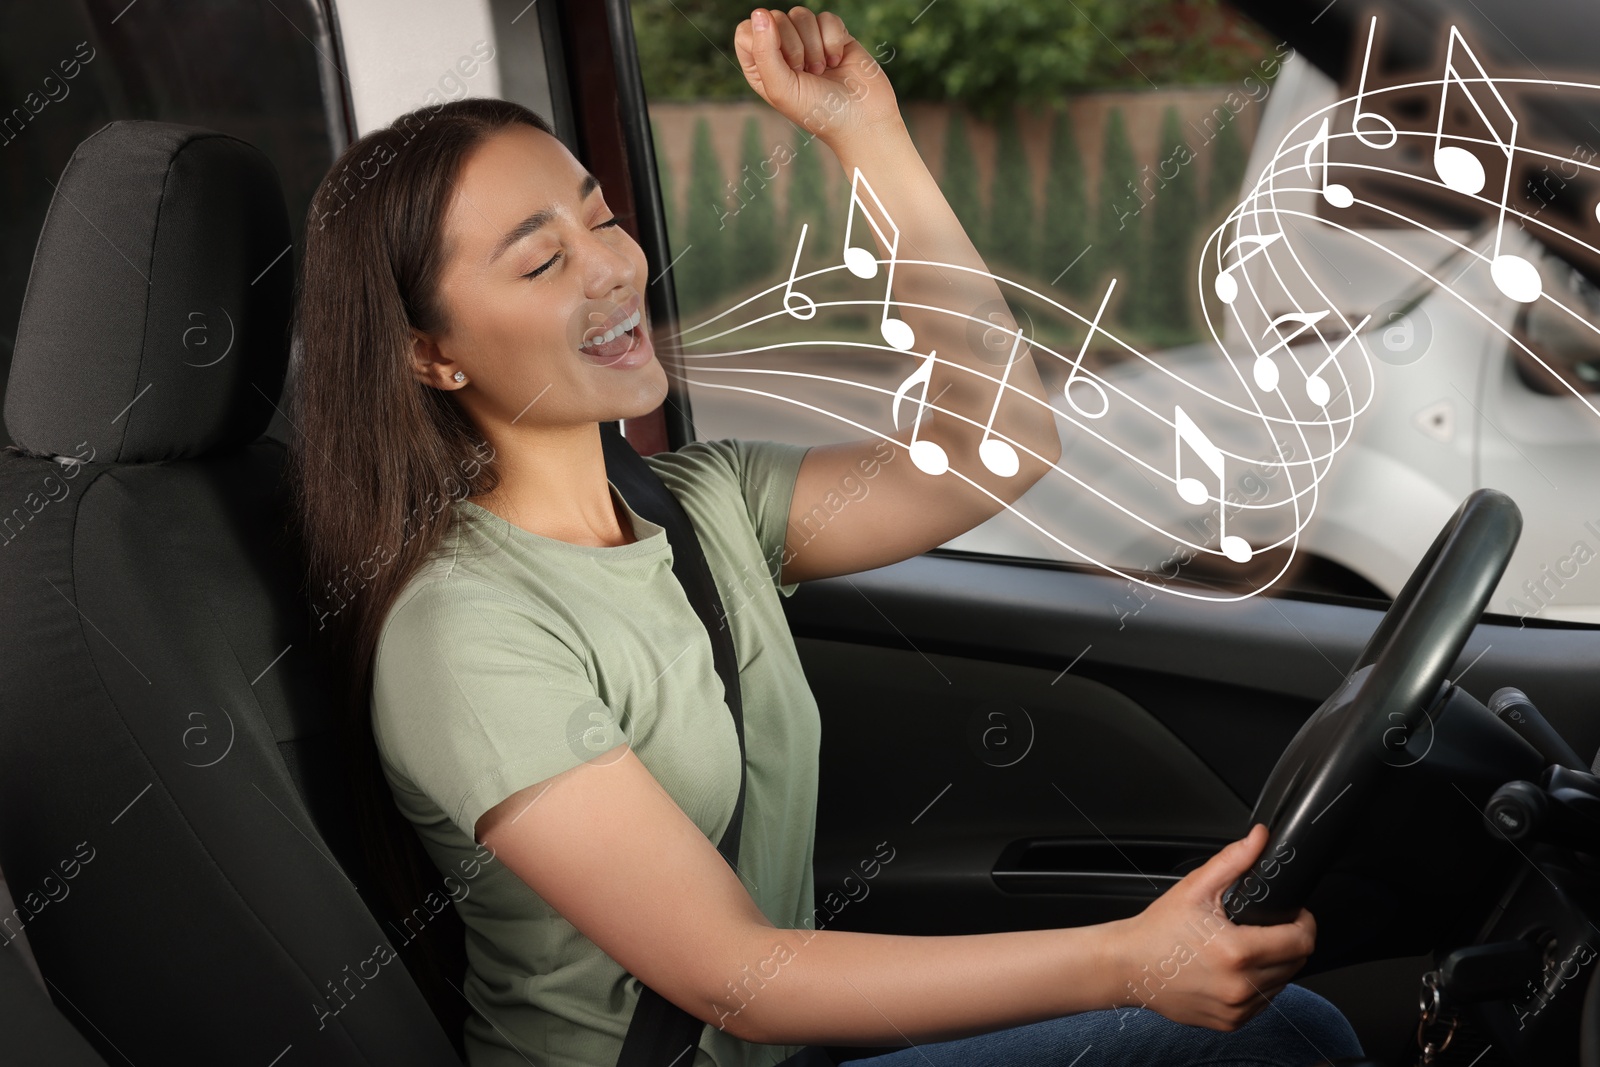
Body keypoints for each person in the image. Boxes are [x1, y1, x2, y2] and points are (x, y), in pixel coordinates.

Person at [286, 6, 1364, 1066]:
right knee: (1288, 1038)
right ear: (432, 354)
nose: (612, 268)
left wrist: (863, 131)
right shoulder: (460, 633)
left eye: (600, 217)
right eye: (538, 262)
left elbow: (999, 442)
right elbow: (733, 979)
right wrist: (1129, 961)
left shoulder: (699, 501)